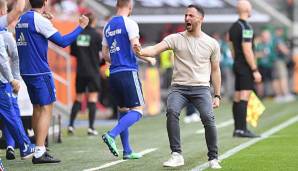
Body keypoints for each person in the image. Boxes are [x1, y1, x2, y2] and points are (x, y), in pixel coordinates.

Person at [135, 4, 222, 169]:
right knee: (172, 111)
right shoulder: (175, 38)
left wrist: (217, 95)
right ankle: (176, 155)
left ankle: (213, 158)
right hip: (179, 88)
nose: (187, 18)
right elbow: (154, 49)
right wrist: (140, 51)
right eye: (186, 15)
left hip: (201, 89)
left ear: (200, 19)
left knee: (208, 119)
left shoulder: (211, 43)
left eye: (191, 16)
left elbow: (216, 70)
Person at [15, 0, 89, 164]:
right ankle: (40, 151)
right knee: (47, 108)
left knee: (37, 107)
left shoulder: (22, 18)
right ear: (45, 2)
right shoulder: (39, 20)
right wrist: (81, 27)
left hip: (26, 70)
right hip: (40, 71)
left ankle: (37, 147)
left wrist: (44, 17)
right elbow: (63, 42)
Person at [101, 0, 155, 160]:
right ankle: (111, 135)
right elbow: (136, 48)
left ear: (117, 5)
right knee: (138, 111)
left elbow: (104, 55)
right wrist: (149, 59)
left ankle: (127, 151)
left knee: (123, 111)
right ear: (130, 7)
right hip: (128, 71)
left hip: (114, 72)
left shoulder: (107, 25)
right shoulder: (130, 23)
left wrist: (117, 59)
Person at [0, 0, 35, 161]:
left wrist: (14, 78)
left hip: (6, 81)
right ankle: (25, 146)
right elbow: (1, 60)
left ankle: (22, 145)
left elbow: (13, 58)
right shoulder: (3, 32)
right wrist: (11, 79)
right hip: (2, 82)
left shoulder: (5, 34)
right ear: (2, 12)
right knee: (11, 114)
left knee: (12, 112)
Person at [228, 0, 262, 138]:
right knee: (244, 96)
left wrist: (237, 62)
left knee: (237, 97)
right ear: (247, 10)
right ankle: (242, 129)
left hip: (237, 64)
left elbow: (232, 50)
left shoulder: (233, 27)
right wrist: (254, 69)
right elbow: (247, 50)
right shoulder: (246, 27)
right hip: (245, 67)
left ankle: (237, 129)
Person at [68, 12, 102, 136]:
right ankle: (91, 128)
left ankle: (71, 125)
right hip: (93, 71)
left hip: (81, 71)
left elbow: (73, 52)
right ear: (93, 21)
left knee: (78, 98)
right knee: (92, 98)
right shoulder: (97, 36)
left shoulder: (77, 34)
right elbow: (101, 54)